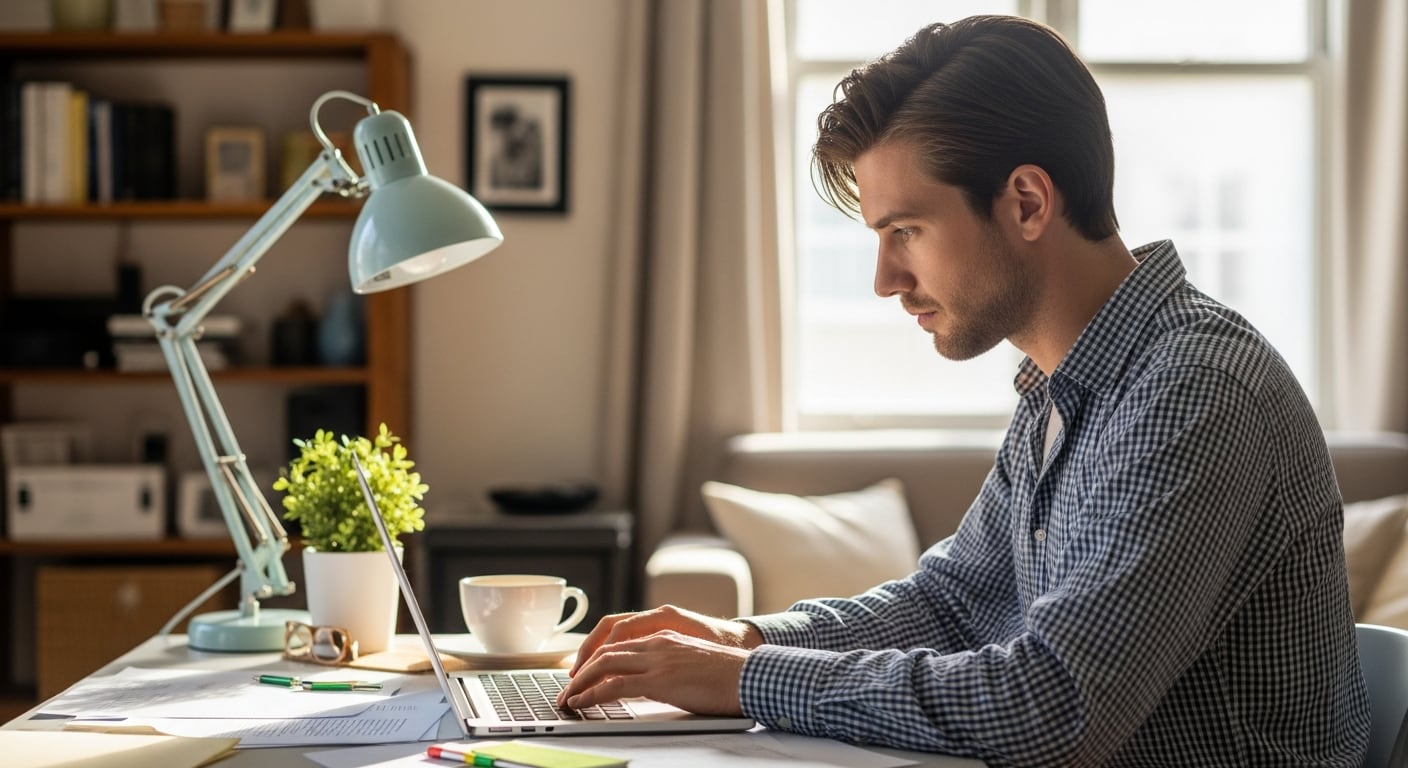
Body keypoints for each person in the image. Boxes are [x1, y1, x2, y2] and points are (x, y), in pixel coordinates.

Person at [557, 14, 1368, 766]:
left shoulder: (1196, 393)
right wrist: (740, 636)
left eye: (905, 231)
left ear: (1026, 202)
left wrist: (744, 677)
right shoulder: (1064, 387)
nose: (885, 280)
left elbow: (1052, 706)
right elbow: (951, 604)